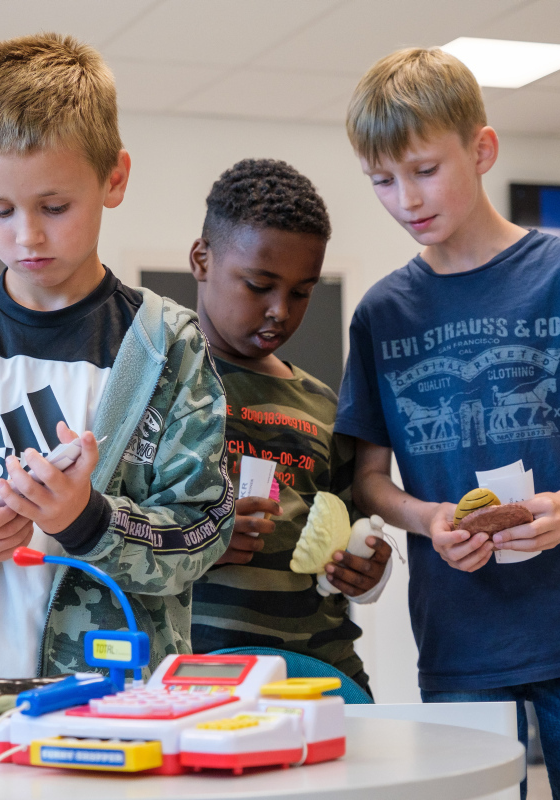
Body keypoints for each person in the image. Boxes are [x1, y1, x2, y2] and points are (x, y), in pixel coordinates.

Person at [336, 47, 560, 799]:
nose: (404, 198)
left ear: (481, 149)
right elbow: (368, 479)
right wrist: (427, 519)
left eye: (423, 169)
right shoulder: (382, 314)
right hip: (464, 633)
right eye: (381, 180)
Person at [0, 33, 233, 682]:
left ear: (114, 178)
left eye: (54, 207)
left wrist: (88, 520)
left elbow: (202, 530)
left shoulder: (167, 344)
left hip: (114, 709)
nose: (25, 235)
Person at [187, 158, 393, 696]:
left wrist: (366, 571)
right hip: (195, 675)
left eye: (302, 292)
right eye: (259, 285)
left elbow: (350, 534)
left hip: (319, 669)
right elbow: (99, 533)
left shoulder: (323, 405)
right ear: (201, 259)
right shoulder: (156, 388)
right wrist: (197, 539)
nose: (280, 310)